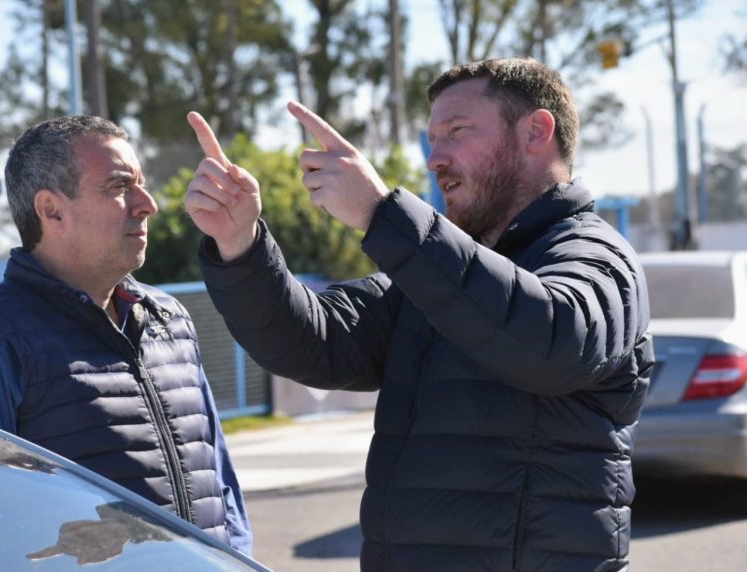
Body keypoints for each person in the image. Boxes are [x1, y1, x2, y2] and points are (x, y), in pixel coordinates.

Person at [186, 57, 652, 571]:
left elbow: (552, 343)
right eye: (432, 139)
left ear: (536, 132)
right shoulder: (439, 274)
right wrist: (240, 244)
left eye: (457, 131)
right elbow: (315, 345)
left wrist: (382, 213)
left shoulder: (598, 257)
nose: (435, 159)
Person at [0, 115, 251, 555]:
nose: (147, 204)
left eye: (141, 184)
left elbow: (221, 488)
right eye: (119, 187)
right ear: (51, 210)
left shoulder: (169, 319)